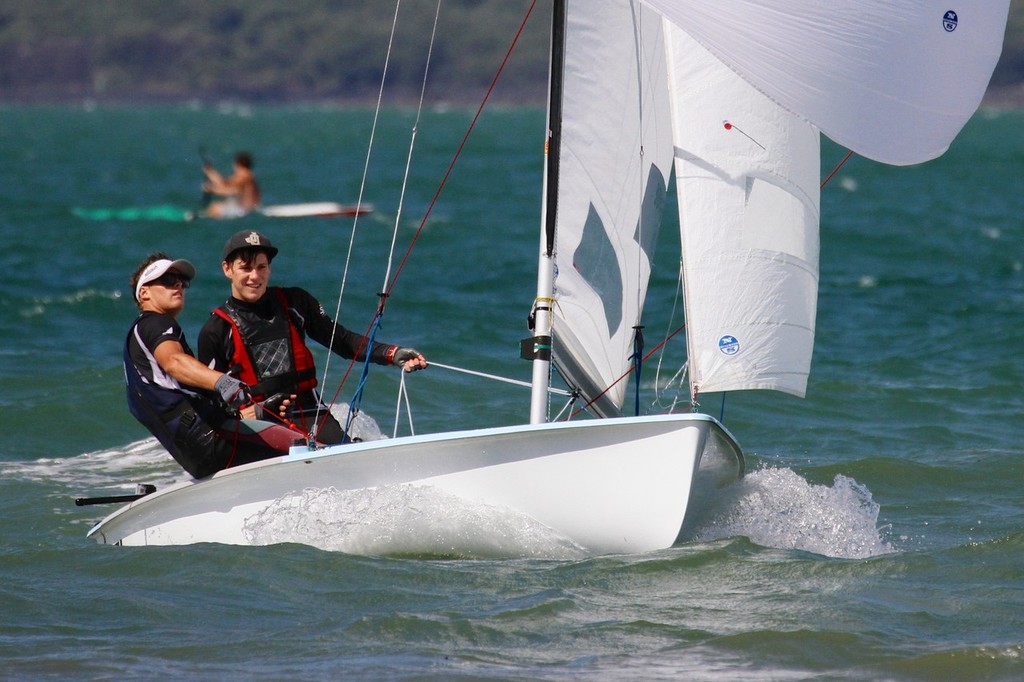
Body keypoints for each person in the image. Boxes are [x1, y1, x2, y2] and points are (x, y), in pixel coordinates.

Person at [198, 230, 427, 445]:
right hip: (257, 424)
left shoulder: (295, 302)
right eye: (245, 268)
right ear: (227, 269)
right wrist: (239, 414)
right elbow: (209, 400)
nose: (254, 276)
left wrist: (391, 353)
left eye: (262, 267)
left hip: (310, 413)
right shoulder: (216, 329)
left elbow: (342, 340)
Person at [124, 252, 302, 479]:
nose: (178, 285)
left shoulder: (139, 338)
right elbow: (174, 362)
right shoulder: (154, 323)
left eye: (182, 281)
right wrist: (224, 382)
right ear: (144, 293)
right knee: (301, 446)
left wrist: (255, 412)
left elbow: (181, 396)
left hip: (195, 451)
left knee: (273, 426)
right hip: (209, 440)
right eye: (168, 280)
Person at [202, 151, 262, 218]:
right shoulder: (248, 176)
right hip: (245, 207)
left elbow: (224, 183)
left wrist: (210, 173)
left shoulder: (245, 176)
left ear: (238, 164)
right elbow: (229, 190)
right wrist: (212, 188)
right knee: (214, 206)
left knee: (214, 210)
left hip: (246, 210)